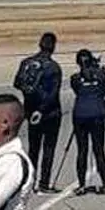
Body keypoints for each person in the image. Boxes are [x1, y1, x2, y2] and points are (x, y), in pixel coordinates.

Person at [12, 33, 63, 193]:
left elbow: (17, 82)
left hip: (31, 109)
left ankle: (30, 181)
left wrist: (30, 95)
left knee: (33, 148)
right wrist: (42, 109)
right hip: (50, 112)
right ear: (53, 46)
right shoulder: (53, 67)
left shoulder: (26, 63)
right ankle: (44, 183)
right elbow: (53, 93)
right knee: (48, 147)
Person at [69, 49, 105, 195]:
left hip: (80, 114)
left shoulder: (75, 78)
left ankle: (81, 185)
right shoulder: (100, 74)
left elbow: (77, 91)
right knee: (98, 149)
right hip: (97, 113)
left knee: (82, 150)